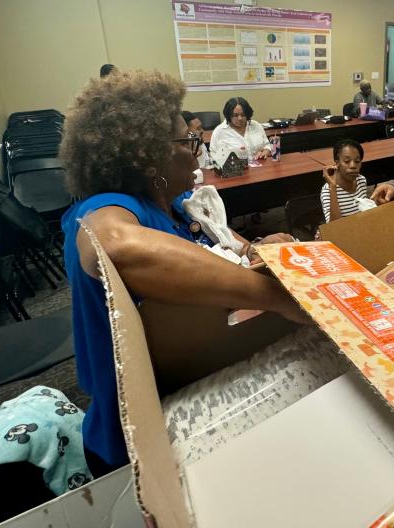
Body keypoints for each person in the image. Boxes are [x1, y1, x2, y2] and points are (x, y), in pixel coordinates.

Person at [58, 71, 302, 477]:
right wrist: (275, 295)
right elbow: (116, 246)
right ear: (151, 157)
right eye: (189, 141)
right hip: (137, 444)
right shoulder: (105, 209)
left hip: (192, 386)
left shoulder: (178, 202)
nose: (198, 151)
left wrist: (258, 250)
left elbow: (226, 246)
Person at [210, 97, 272, 162]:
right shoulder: (219, 131)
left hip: (260, 168)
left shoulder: (256, 126)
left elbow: (267, 146)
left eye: (243, 115)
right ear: (229, 115)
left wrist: (264, 153)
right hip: (234, 170)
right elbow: (213, 156)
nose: (240, 118)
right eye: (235, 115)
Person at [320, 139, 368, 222]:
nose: (353, 166)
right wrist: (333, 188)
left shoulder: (361, 180)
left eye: (357, 161)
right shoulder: (327, 190)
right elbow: (334, 227)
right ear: (337, 163)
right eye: (347, 161)